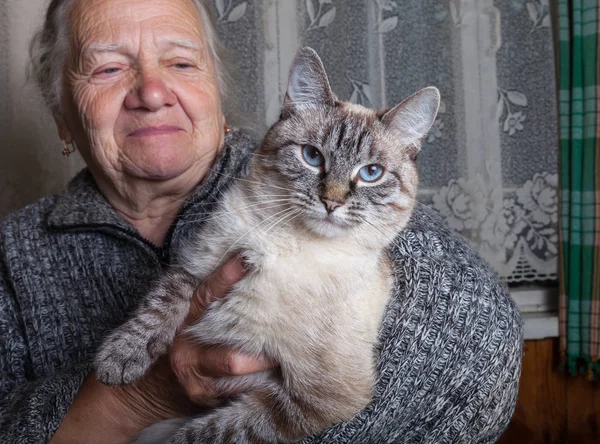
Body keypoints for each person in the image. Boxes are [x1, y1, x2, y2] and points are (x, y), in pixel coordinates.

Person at [0, 0, 523, 443]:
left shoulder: (344, 199)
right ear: (62, 114)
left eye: (181, 64)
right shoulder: (13, 254)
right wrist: (136, 401)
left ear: (218, 94)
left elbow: (483, 365)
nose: (153, 91)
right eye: (109, 68)